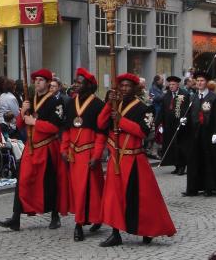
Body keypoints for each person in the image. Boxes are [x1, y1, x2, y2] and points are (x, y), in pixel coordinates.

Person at [97, 73, 176, 247]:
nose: (124, 89)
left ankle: (148, 230)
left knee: (142, 199)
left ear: (135, 88)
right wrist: (109, 104)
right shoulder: (115, 104)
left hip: (134, 159)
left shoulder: (144, 108)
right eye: (121, 86)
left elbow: (143, 132)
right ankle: (115, 232)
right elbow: (101, 124)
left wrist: (121, 120)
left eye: (127, 86)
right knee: (112, 198)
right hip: (116, 159)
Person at [0, 68, 68, 231]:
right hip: (30, 148)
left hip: (47, 147)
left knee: (50, 182)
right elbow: (20, 125)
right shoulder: (30, 100)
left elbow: (55, 127)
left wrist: (34, 122)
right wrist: (22, 111)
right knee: (22, 180)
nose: (37, 82)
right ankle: (15, 218)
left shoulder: (55, 101)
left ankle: (55, 216)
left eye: (41, 80)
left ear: (49, 83)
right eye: (35, 80)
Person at [61, 68, 106, 242]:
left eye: (79, 82)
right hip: (73, 154)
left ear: (88, 85)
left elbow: (101, 134)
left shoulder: (98, 104)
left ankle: (83, 223)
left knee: (93, 190)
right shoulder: (71, 103)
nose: (75, 85)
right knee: (78, 190)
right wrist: (63, 150)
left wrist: (96, 156)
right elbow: (66, 129)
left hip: (89, 154)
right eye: (75, 81)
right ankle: (81, 221)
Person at [183, 72, 216, 197]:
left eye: (202, 80)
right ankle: (193, 188)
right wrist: (184, 120)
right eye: (197, 80)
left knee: (208, 159)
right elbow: (189, 113)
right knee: (193, 159)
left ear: (207, 82)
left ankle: (210, 188)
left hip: (208, 132)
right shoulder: (192, 97)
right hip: (194, 132)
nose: (199, 83)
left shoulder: (214, 98)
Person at [156, 76, 190, 175]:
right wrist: (158, 122)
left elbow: (187, 109)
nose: (171, 86)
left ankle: (182, 166)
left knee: (180, 146)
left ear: (177, 85)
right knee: (171, 146)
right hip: (169, 125)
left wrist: (185, 119)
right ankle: (176, 165)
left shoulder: (184, 94)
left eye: (173, 84)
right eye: (170, 84)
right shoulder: (166, 95)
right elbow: (162, 110)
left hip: (180, 125)